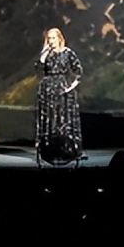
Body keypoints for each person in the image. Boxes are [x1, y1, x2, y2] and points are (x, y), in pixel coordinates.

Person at [35, 27, 83, 164]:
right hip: (47, 90)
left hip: (62, 90)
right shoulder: (47, 54)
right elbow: (39, 69)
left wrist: (70, 87)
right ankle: (47, 149)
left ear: (59, 38)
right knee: (49, 119)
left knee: (63, 119)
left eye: (53, 38)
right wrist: (44, 52)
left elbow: (78, 71)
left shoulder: (68, 53)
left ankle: (67, 149)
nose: (51, 41)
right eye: (49, 38)